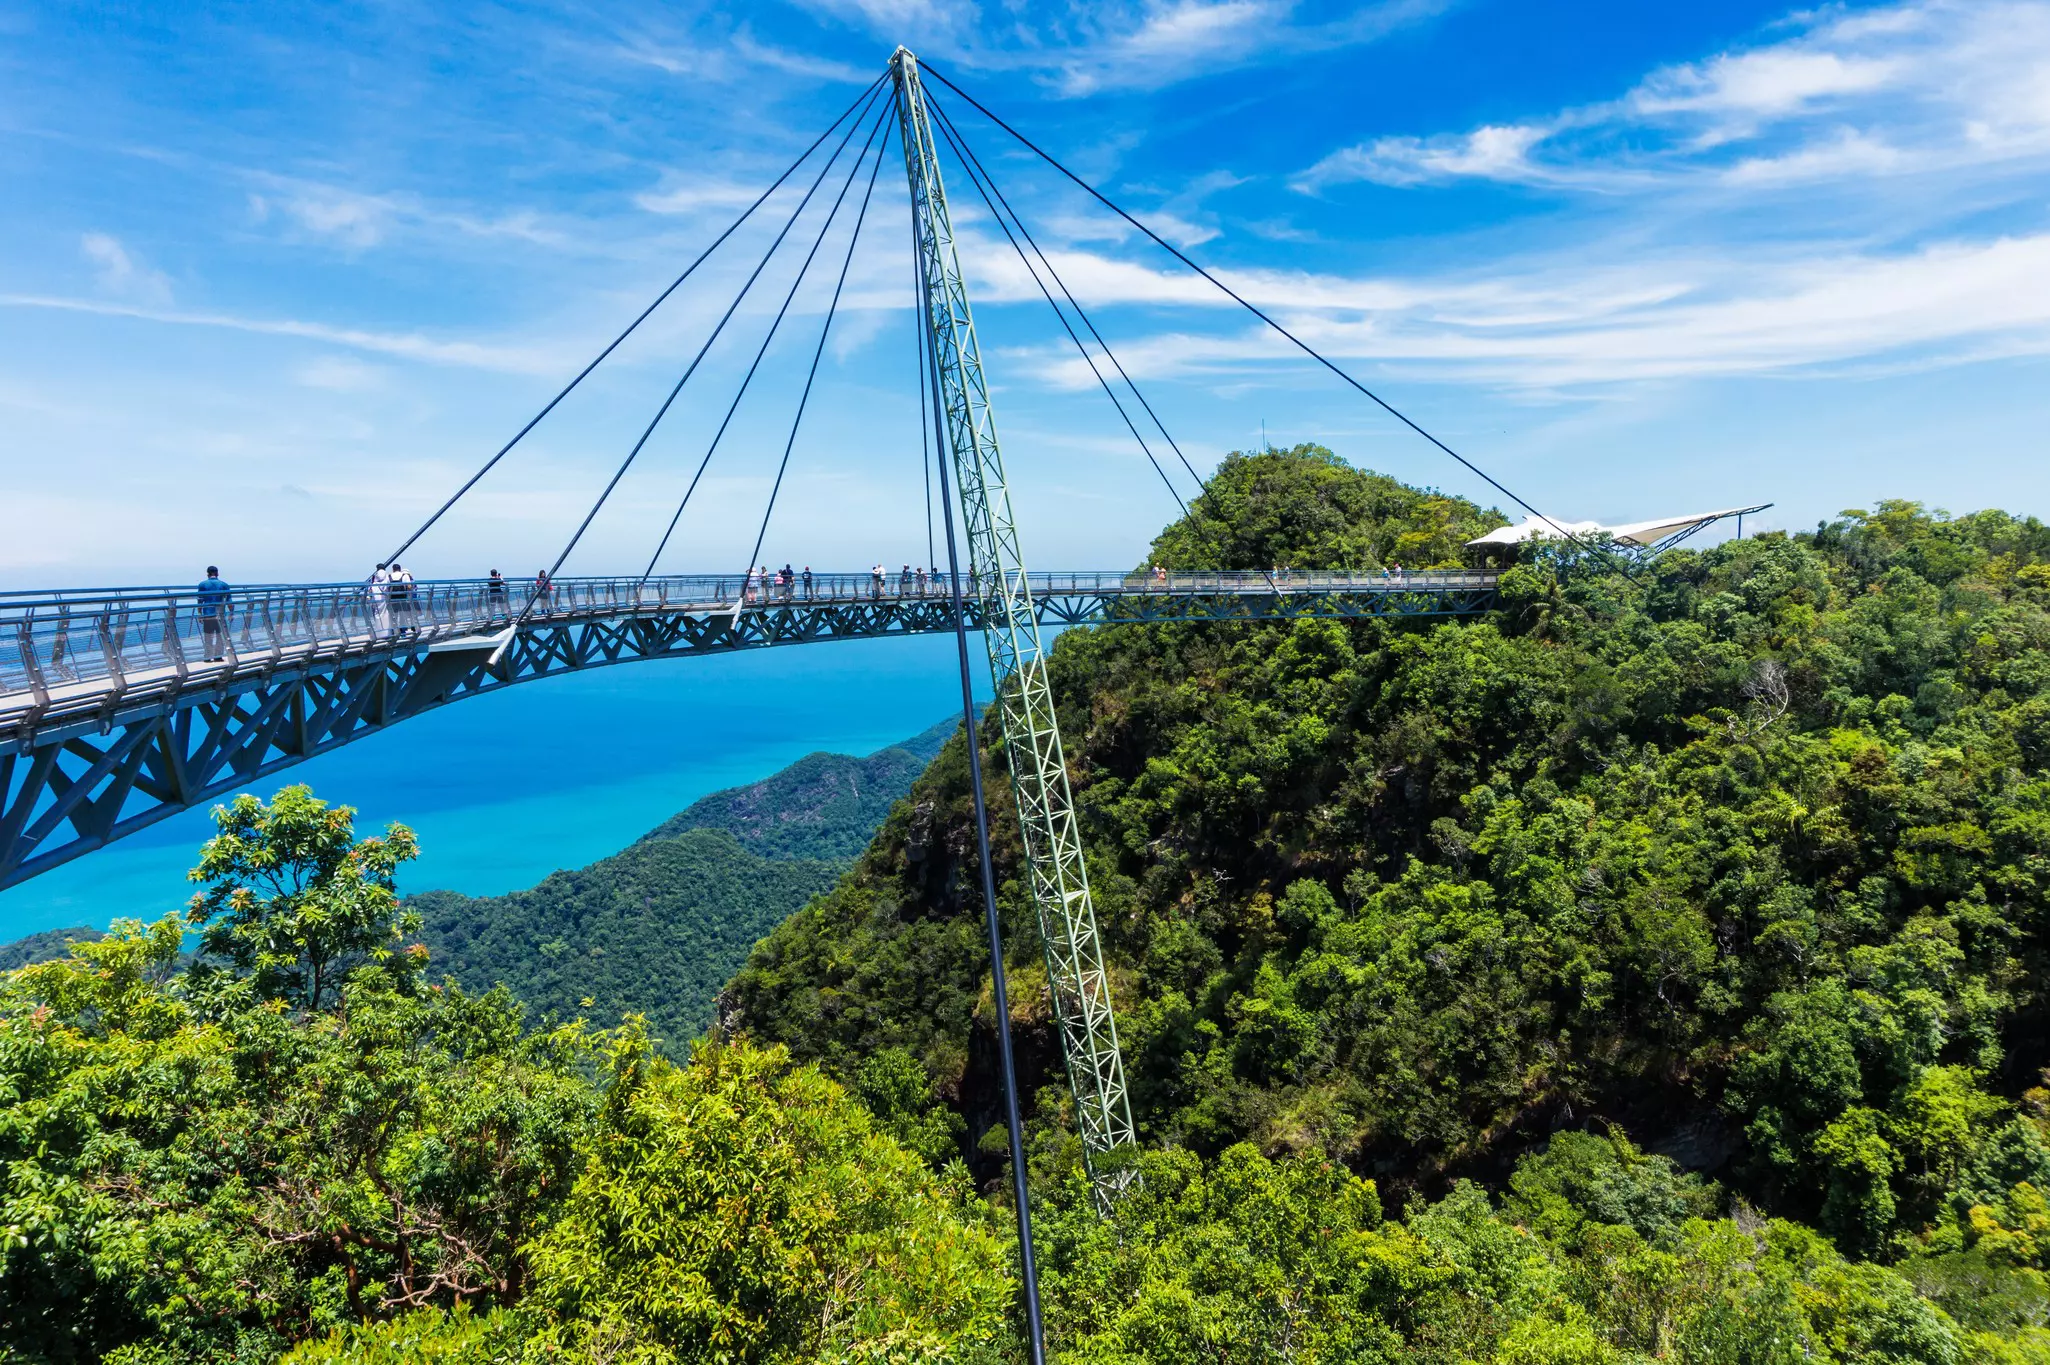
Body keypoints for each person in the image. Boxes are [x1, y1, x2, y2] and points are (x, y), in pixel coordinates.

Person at [196, 565, 230, 662]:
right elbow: (229, 601)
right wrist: (231, 613)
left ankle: (207, 656)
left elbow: (200, 600)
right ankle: (218, 656)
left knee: (208, 635)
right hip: (220, 615)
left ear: (207, 574)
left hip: (207, 614)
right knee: (220, 635)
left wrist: (199, 613)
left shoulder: (202, 585)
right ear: (217, 573)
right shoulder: (224, 585)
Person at [389, 562, 417, 636]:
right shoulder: (404, 576)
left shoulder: (389, 576)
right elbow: (409, 586)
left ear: (393, 569)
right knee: (402, 614)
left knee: (393, 615)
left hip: (392, 598)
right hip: (402, 596)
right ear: (400, 569)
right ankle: (403, 631)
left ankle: (393, 630)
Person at [367, 562, 393, 638]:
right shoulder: (387, 576)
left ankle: (379, 633)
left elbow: (369, 587)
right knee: (386, 614)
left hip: (375, 596)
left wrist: (368, 597)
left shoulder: (374, 577)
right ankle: (387, 632)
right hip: (385, 597)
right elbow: (390, 586)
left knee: (377, 614)